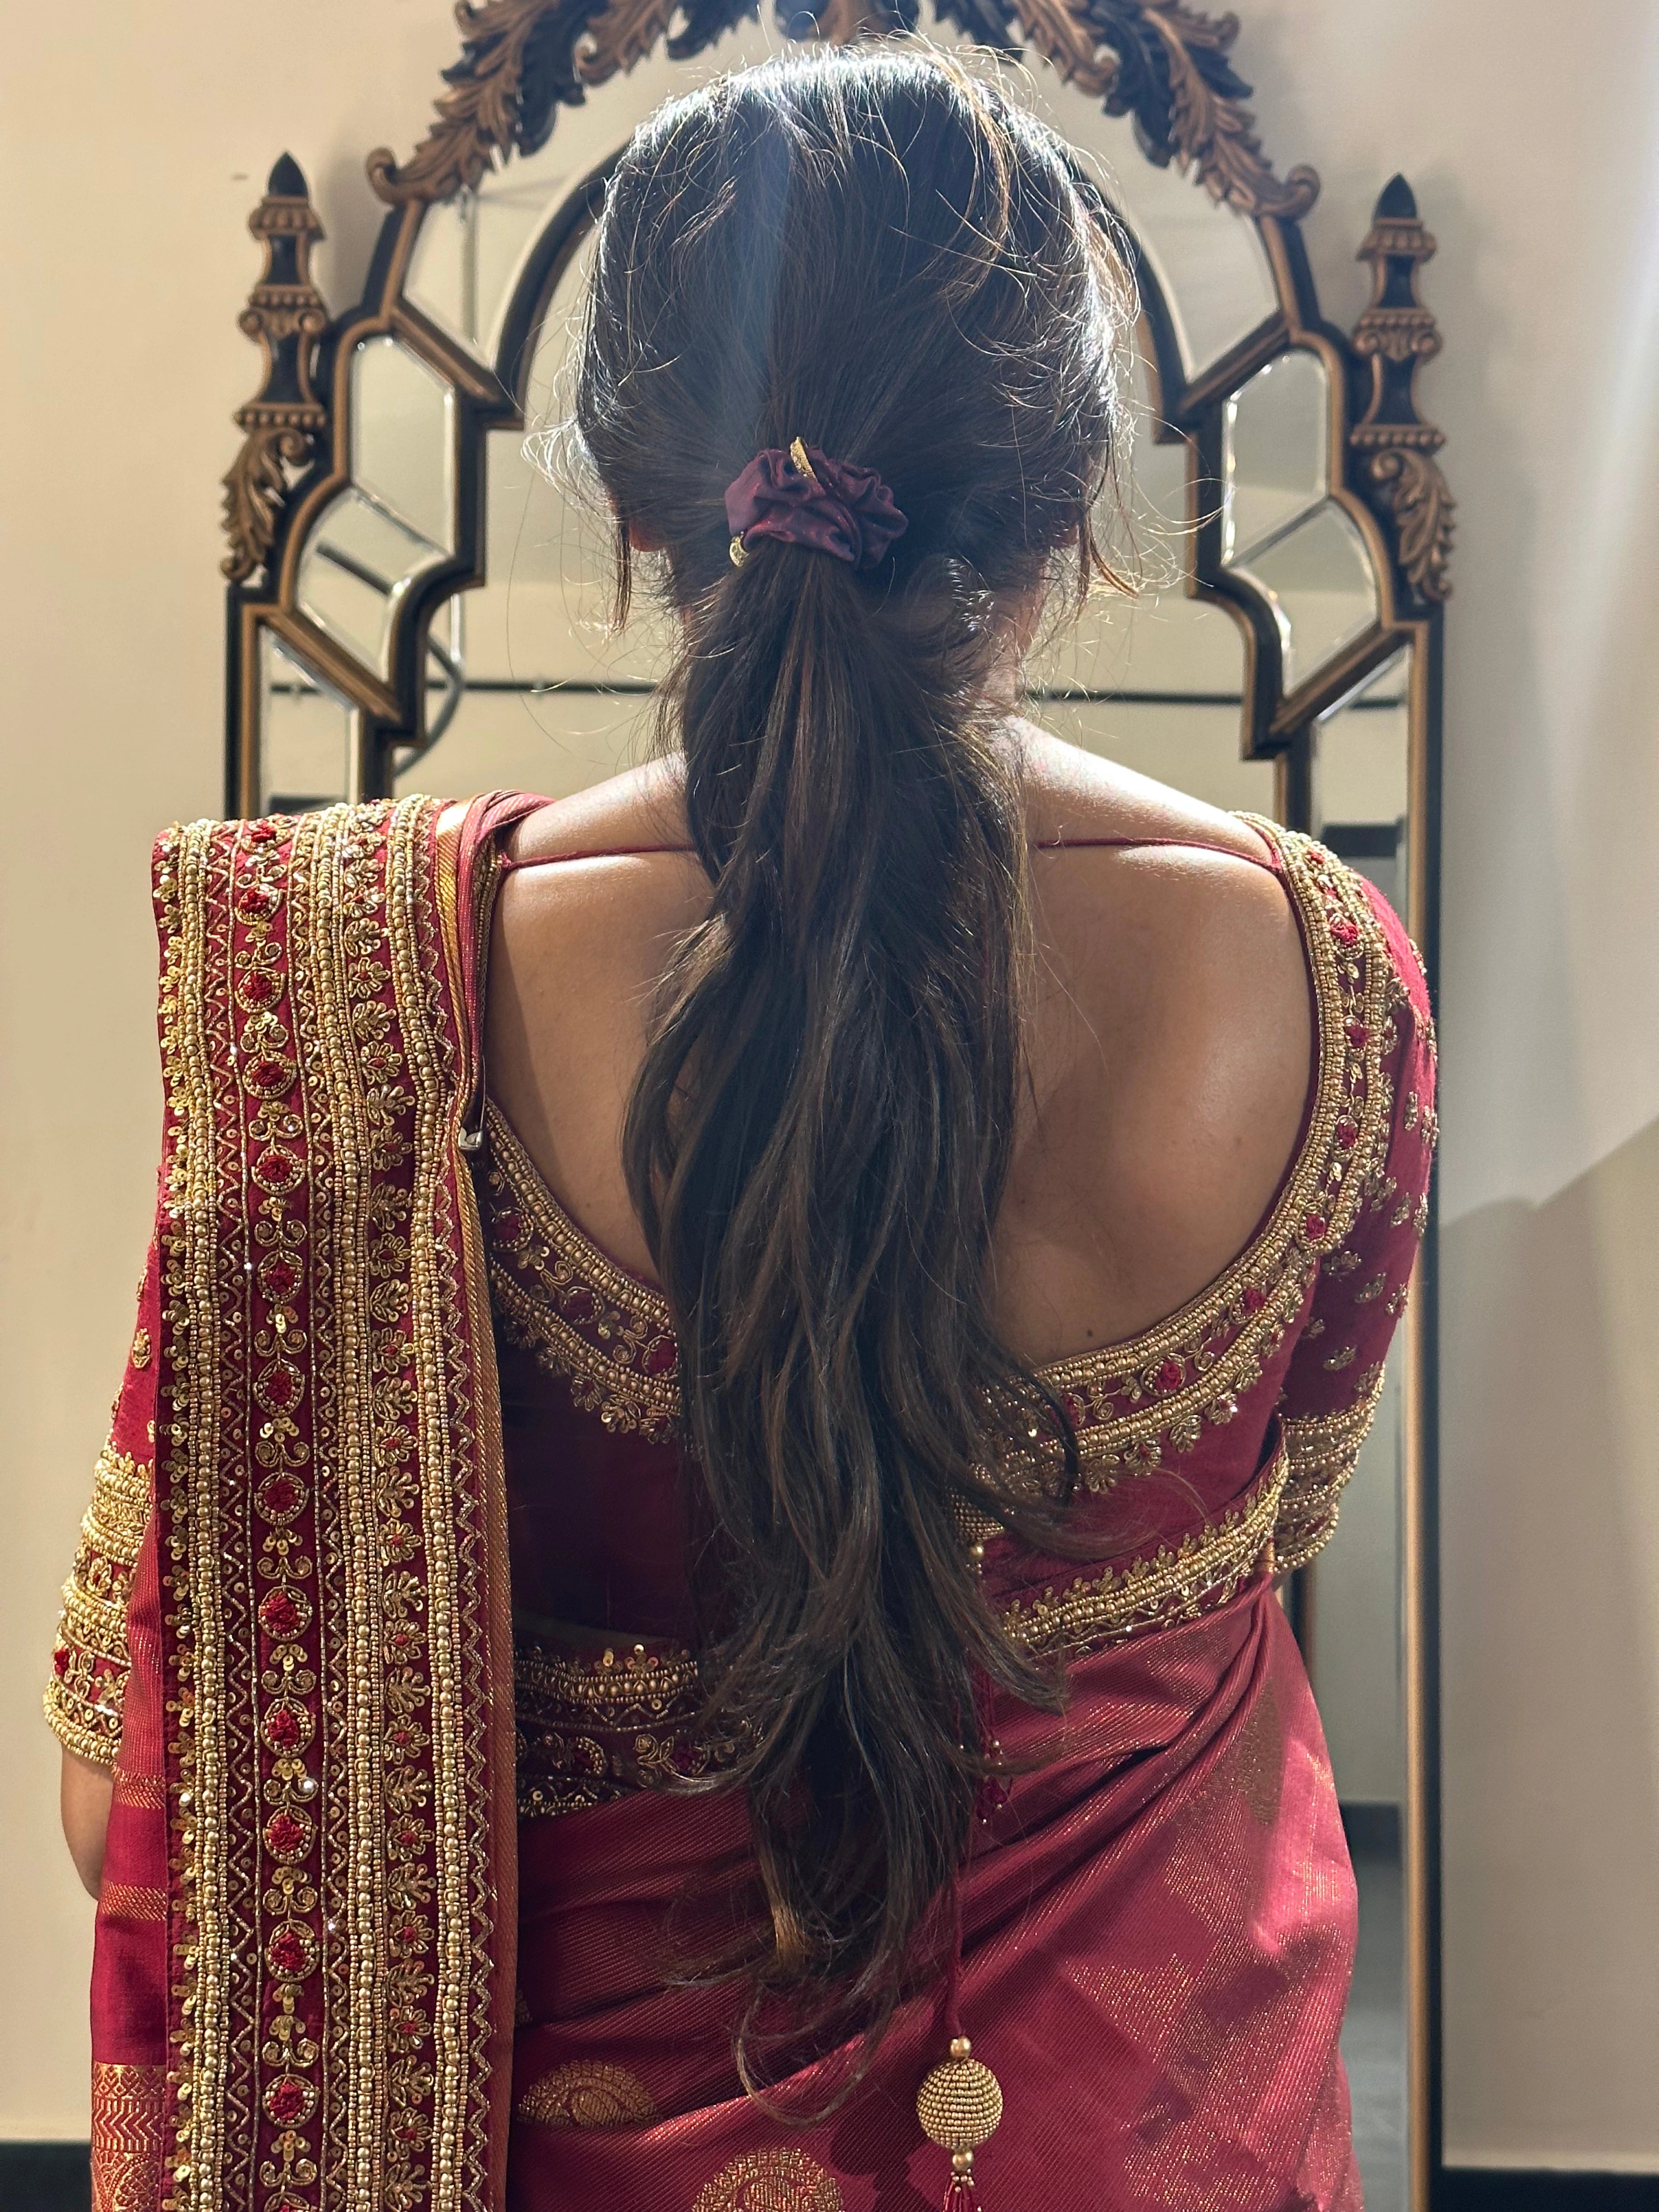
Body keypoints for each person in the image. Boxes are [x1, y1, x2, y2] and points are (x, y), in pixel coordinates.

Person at [47, 46, 1434, 2212]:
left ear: (623, 507)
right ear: (1074, 507)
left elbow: (138, 1769)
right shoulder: (1321, 976)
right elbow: (1274, 1533)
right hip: (1141, 2142)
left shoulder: (351, 991)